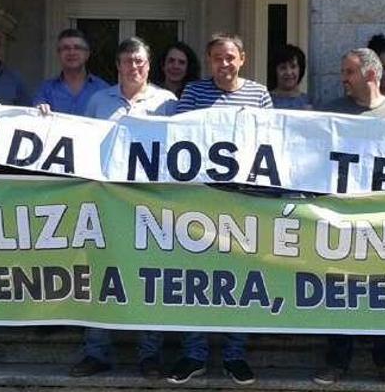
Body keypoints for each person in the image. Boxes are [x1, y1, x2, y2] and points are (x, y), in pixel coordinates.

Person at [69, 37, 176, 379]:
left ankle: (150, 355)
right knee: (100, 277)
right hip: (105, 202)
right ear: (117, 66)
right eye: (128, 61)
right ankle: (96, 352)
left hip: (150, 204)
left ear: (149, 65)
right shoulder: (98, 101)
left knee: (150, 279)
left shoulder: (167, 102)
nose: (134, 67)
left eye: (140, 61)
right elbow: (80, 144)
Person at [168, 33, 270, 386]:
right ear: (209, 60)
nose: (224, 64)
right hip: (198, 200)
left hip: (242, 201)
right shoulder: (194, 93)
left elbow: (270, 141)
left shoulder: (259, 94)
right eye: (217, 58)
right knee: (195, 279)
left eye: (230, 57)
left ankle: (234, 355)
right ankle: (193, 354)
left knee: (238, 281)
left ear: (242, 58)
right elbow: (177, 136)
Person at [314, 47, 385, 388]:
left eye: (349, 72)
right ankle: (336, 362)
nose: (343, 78)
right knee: (340, 293)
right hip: (341, 219)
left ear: (370, 75)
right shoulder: (330, 114)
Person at [32, 28, 108, 115]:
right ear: (59, 54)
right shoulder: (45, 90)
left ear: (87, 54)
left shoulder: (102, 90)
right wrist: (38, 111)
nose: (71, 52)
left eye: (77, 48)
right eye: (65, 48)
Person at [268, 44, 311, 109]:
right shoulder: (265, 101)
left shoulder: (309, 102)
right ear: (275, 71)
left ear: (300, 69)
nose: (288, 72)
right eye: (283, 68)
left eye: (293, 67)